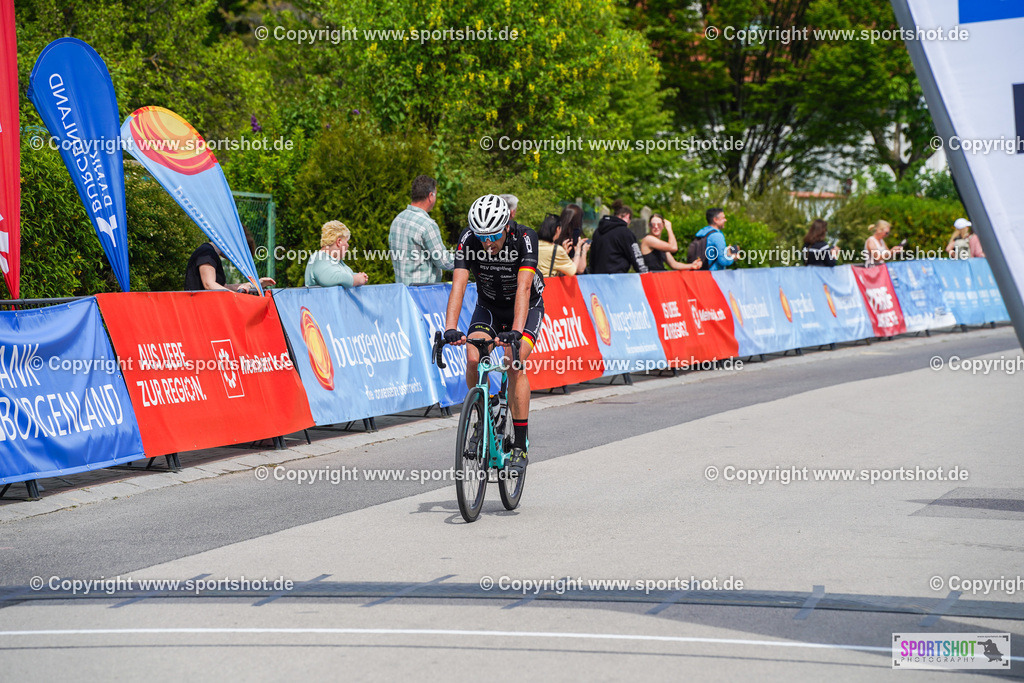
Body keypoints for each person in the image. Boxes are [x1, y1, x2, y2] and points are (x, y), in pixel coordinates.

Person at [443, 194, 543, 476]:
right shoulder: (468, 240)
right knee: (473, 356)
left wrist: (516, 331)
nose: (487, 243)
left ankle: (520, 444)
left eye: (494, 236)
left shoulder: (525, 238)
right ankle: (484, 415)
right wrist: (451, 327)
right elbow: (459, 285)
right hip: (488, 305)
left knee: (513, 362)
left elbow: (524, 288)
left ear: (507, 225)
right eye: (481, 236)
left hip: (525, 306)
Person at [388, 175, 453, 284]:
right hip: (422, 295)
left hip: (402, 293)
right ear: (430, 196)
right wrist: (467, 260)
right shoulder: (427, 225)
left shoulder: (397, 220)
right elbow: (444, 261)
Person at [184, 240, 275, 293]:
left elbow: (222, 287)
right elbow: (209, 284)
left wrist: (253, 285)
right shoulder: (207, 253)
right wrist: (236, 297)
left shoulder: (212, 254)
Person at [588, 200, 648, 274]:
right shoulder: (625, 232)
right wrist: (644, 274)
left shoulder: (598, 231)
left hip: (598, 278)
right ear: (627, 216)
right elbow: (636, 257)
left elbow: (592, 258)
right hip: (617, 278)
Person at [304, 221, 369, 288]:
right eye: (347, 241)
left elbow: (347, 274)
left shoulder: (337, 261)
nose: (348, 245)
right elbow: (329, 277)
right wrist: (355, 280)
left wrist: (360, 276)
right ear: (339, 242)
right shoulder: (318, 259)